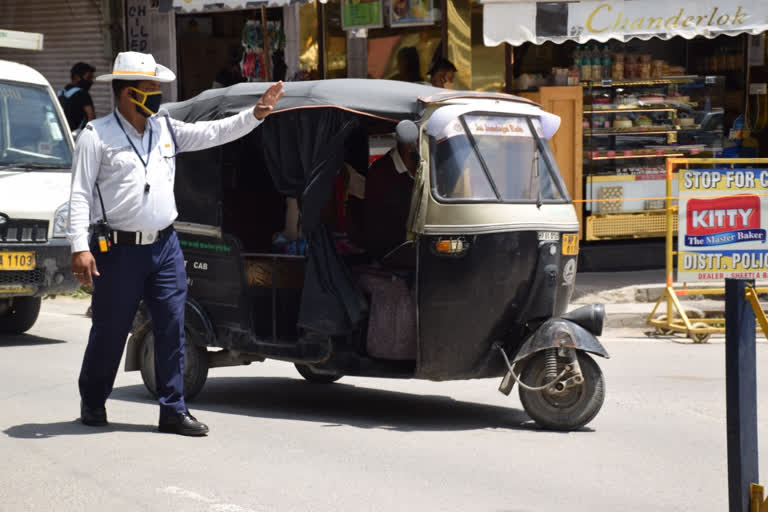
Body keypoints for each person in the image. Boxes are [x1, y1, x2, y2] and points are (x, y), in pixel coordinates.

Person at [67, 51, 284, 436]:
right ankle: (93, 399)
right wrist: (78, 247)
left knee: (172, 324)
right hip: (118, 251)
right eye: (150, 89)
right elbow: (80, 194)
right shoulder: (96, 136)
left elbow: (213, 133)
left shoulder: (165, 128)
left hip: (165, 247)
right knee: (110, 329)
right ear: (126, 93)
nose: (156, 95)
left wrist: (256, 115)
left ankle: (172, 409)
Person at [363, 130, 419, 260]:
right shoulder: (380, 172)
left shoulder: (422, 165)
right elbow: (375, 219)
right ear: (409, 146)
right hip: (390, 249)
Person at [58, 62, 96, 131]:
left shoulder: (61, 93)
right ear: (77, 77)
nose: (91, 81)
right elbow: (91, 118)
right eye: (88, 77)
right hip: (78, 135)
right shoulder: (82, 94)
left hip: (64, 135)